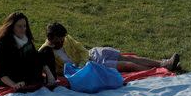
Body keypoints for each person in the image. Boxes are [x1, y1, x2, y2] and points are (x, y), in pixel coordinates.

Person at [39, 22, 180, 76]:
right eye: (60, 39)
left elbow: (81, 49)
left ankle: (164, 63)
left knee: (128, 57)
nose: (63, 41)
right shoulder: (45, 52)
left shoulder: (66, 38)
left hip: (93, 54)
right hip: (94, 66)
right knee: (128, 65)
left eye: (64, 38)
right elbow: (51, 71)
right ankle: (160, 72)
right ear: (52, 38)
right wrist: (81, 68)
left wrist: (83, 62)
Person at [0, 12, 56, 89]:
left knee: (46, 51)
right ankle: (27, 82)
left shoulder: (26, 39)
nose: (23, 29)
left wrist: (48, 73)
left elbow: (35, 56)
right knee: (30, 71)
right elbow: (0, 71)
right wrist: (13, 85)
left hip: (25, 71)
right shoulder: (2, 44)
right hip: (9, 76)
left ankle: (51, 80)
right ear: (11, 27)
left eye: (24, 26)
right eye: (19, 26)